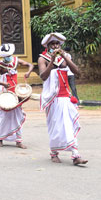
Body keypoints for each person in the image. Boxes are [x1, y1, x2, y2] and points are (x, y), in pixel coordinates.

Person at [38, 32, 88, 166]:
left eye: (57, 44)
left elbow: (77, 71)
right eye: (52, 44)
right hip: (52, 99)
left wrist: (65, 56)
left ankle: (75, 155)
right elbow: (43, 76)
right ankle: (54, 153)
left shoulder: (65, 58)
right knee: (56, 126)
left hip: (65, 97)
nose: (55, 46)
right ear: (47, 46)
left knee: (69, 125)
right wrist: (52, 61)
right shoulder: (43, 58)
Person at [0, 43, 34, 149]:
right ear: (2, 56)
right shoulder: (0, 65)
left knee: (17, 115)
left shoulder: (16, 60)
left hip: (16, 92)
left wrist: (28, 72)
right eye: (6, 56)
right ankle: (0, 139)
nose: (8, 57)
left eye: (9, 55)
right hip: (5, 93)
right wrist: (3, 84)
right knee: (4, 117)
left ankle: (18, 141)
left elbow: (30, 65)